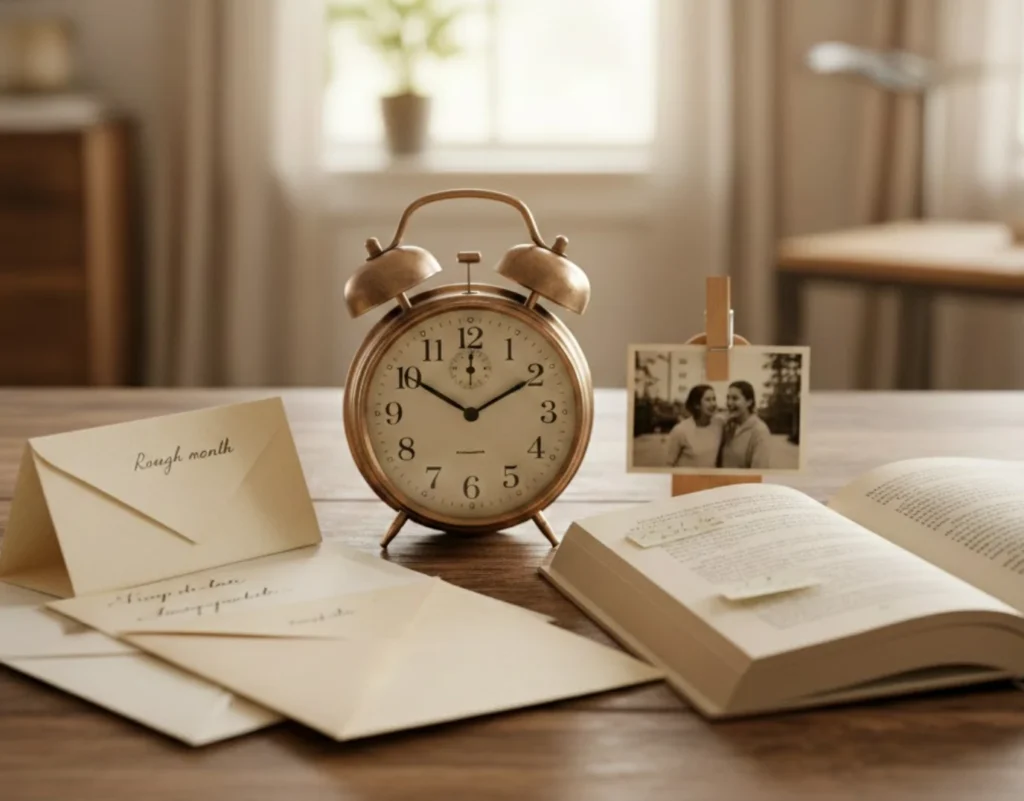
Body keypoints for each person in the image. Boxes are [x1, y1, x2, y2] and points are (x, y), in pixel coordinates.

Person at [665, 385, 724, 468]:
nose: (713, 404)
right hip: (686, 479)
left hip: (710, 479)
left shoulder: (719, 425)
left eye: (714, 399)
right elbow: (669, 464)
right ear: (697, 405)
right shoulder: (680, 430)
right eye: (708, 400)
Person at [718, 380, 771, 469]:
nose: (729, 403)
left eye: (735, 398)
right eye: (728, 398)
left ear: (749, 402)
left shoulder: (760, 431)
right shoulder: (727, 426)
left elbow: (759, 472)